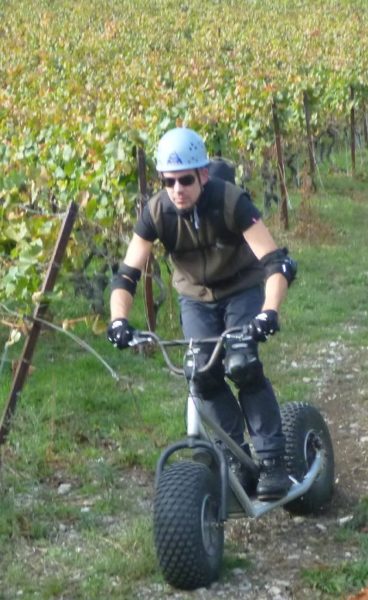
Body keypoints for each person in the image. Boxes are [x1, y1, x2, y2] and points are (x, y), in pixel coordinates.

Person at [107, 127, 297, 501]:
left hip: (241, 287)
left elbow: (276, 263)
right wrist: (118, 321)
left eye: (186, 180)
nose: (177, 189)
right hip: (195, 296)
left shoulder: (231, 202)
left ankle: (273, 461)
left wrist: (268, 312)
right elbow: (126, 275)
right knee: (202, 374)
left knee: (241, 363)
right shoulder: (157, 211)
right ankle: (236, 456)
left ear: (203, 175)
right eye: (169, 181)